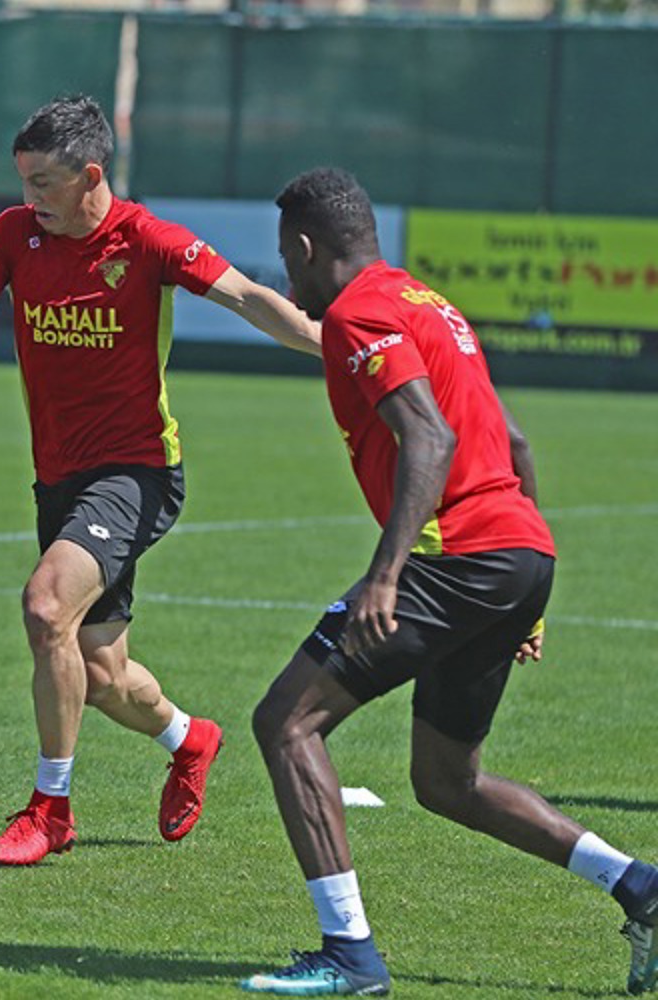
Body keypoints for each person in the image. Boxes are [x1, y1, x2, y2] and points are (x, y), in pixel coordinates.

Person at [240, 167, 657, 996]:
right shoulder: (429, 304)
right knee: (445, 781)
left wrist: (385, 574)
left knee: (286, 723)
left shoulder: (359, 312)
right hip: (517, 556)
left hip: (457, 558)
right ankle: (639, 885)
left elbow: (429, 440)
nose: (287, 279)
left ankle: (349, 955)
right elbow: (517, 443)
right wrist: (525, 593)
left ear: (306, 246)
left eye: (287, 260)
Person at [0, 96, 321, 865]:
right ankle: (191, 738)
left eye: (43, 183)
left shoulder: (147, 239)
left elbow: (250, 298)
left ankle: (50, 810)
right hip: (58, 479)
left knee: (46, 607)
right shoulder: (12, 234)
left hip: (136, 472)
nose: (29, 197)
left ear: (91, 176)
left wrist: (342, 346)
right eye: (23, 181)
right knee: (101, 675)